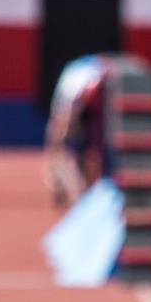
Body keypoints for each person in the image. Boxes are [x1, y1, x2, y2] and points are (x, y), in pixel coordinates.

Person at [43, 53, 108, 205]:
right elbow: (61, 127)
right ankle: (58, 180)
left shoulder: (101, 83)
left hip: (91, 96)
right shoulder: (73, 88)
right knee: (59, 140)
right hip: (74, 97)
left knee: (83, 148)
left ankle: (85, 189)